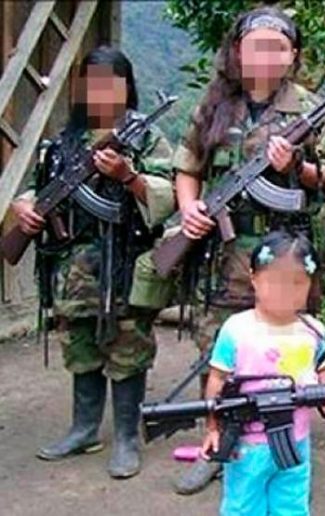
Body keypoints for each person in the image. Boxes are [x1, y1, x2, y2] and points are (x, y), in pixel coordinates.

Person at [169, 6, 325, 494]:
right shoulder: (215, 106)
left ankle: (280, 452)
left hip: (284, 257)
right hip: (223, 254)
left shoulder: (312, 111)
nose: (265, 55)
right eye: (255, 46)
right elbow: (188, 167)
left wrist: (297, 167)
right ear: (237, 52)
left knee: (283, 357)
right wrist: (189, 208)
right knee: (218, 353)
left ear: (293, 54)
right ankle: (217, 446)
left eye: (276, 47)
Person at [10, 46, 174, 478]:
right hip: (73, 268)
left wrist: (128, 176)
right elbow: (37, 185)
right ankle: (84, 429)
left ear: (126, 87)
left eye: (110, 82)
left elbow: (169, 193)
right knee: (79, 346)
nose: (100, 91)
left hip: (124, 262)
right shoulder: (63, 141)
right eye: (92, 82)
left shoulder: (145, 137)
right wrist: (25, 207)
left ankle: (126, 437)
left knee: (128, 346)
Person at [200, 230, 325, 515]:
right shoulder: (236, 329)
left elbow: (321, 370)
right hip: (247, 444)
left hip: (296, 441)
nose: (284, 292)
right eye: (273, 282)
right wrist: (212, 428)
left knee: (292, 506)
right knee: (242, 507)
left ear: (310, 284)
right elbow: (216, 380)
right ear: (254, 278)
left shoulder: (314, 331)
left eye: (297, 284)